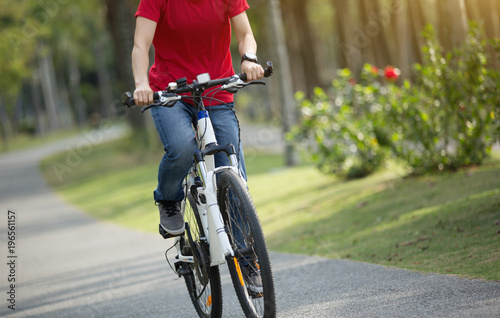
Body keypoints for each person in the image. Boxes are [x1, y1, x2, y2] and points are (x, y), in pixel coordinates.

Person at [132, 1, 263, 238]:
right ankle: (169, 199)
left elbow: (245, 33)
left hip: (216, 89)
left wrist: (249, 58)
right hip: (170, 93)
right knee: (183, 147)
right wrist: (141, 84)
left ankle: (247, 257)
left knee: (230, 165)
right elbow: (141, 45)